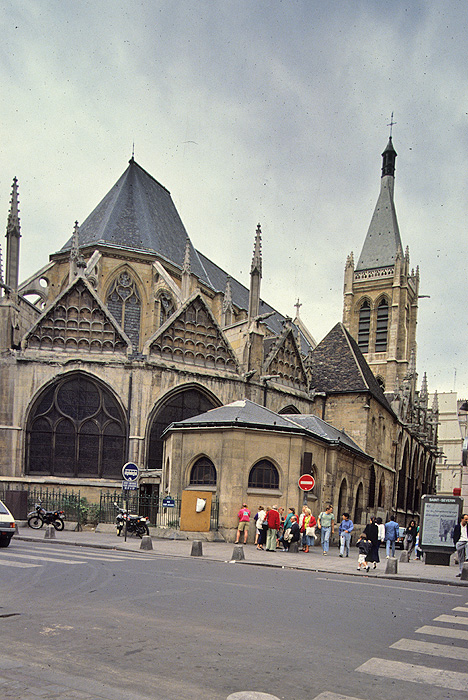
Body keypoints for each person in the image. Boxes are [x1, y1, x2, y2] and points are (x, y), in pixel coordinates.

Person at [453, 513, 468, 577]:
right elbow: (455, 535)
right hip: (460, 541)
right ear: (462, 519)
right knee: (461, 557)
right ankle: (461, 571)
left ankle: (467, 557)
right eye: (465, 519)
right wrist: (456, 543)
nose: (466, 521)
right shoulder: (457, 527)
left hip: (467, 541)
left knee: (467, 545)